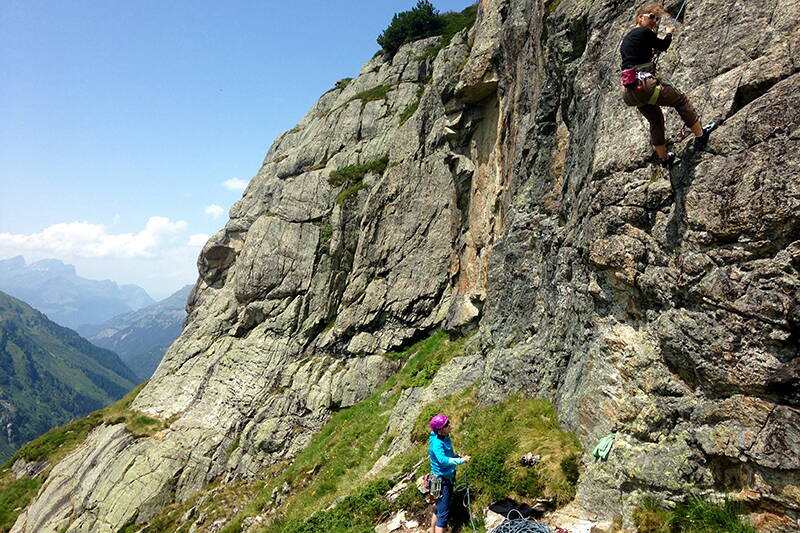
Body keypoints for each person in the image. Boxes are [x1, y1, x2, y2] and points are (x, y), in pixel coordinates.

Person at [620, 3, 716, 168]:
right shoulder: (643, 32)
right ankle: (701, 135)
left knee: (656, 120)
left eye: (656, 18)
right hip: (645, 85)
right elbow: (663, 46)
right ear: (639, 17)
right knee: (680, 100)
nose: (654, 21)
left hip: (630, 92)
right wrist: (668, 34)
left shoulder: (627, 39)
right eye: (651, 16)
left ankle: (664, 159)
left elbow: (636, 57)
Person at [428, 414, 471, 533]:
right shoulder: (437, 443)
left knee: (439, 509)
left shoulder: (444, 436)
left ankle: (432, 531)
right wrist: (460, 460)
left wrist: (457, 457)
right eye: (446, 425)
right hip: (442, 480)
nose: (450, 426)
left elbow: (449, 454)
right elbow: (442, 459)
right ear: (440, 430)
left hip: (443, 478)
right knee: (443, 515)